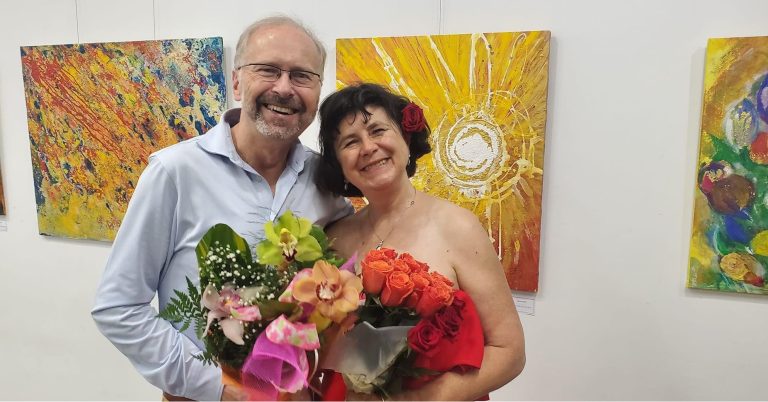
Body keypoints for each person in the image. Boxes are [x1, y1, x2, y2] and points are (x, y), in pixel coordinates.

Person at [91, 16, 352, 401]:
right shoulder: (175, 173)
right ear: (236, 82)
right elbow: (118, 307)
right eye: (268, 70)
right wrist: (218, 387)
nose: (284, 88)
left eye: (302, 75)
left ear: (318, 89)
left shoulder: (326, 184)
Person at [315, 83, 526, 400]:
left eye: (378, 131)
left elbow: (509, 352)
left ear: (406, 138)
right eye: (350, 142)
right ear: (339, 164)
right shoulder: (334, 237)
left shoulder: (457, 226)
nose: (368, 147)